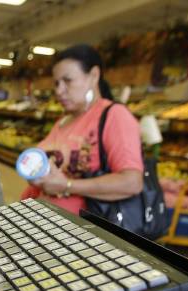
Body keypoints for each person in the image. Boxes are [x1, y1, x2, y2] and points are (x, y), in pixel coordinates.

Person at [20, 44, 143, 214]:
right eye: (56, 83)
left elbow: (132, 182)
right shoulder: (63, 121)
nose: (59, 91)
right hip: (40, 216)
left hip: (77, 227)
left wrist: (67, 185)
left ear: (94, 76)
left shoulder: (114, 115)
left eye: (68, 81)